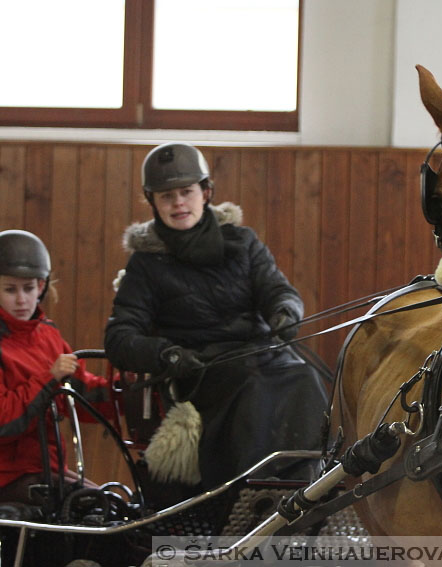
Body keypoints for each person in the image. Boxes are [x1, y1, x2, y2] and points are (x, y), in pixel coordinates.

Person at [104, 142, 329, 489]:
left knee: (305, 376)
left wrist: (285, 313)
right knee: (254, 384)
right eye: (166, 196)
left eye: (186, 192)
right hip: (199, 371)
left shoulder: (243, 242)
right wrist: (167, 354)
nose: (178, 202)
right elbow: (120, 337)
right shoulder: (145, 266)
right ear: (153, 202)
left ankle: (306, 482)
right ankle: (251, 491)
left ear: (205, 192)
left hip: (260, 354)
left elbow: (277, 290)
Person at [0, 229, 111, 512]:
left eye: (29, 288)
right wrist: (49, 379)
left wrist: (132, 389)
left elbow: (81, 395)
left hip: (43, 470)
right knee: (92, 510)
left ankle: (184, 554)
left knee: (120, 510)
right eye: (10, 290)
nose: (22, 300)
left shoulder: (47, 336)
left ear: (42, 286)